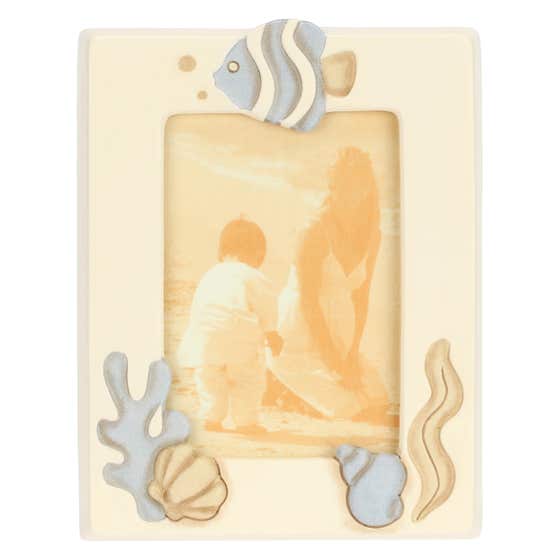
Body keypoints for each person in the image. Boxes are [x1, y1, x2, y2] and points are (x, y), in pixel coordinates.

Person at [268, 147, 389, 420]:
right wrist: (333, 361)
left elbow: (361, 298)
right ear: (331, 187)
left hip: (337, 333)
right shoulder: (314, 231)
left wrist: (352, 353)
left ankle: (292, 390)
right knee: (348, 409)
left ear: (367, 190)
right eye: (340, 187)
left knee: (378, 401)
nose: (347, 196)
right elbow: (308, 302)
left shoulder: (373, 235)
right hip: (299, 331)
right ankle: (279, 384)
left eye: (356, 187)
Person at [178, 218, 283, 433]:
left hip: (205, 338)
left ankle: (211, 417)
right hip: (238, 336)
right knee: (248, 378)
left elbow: (198, 309)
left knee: (210, 378)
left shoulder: (210, 275)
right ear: (259, 254)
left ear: (221, 252)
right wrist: (272, 333)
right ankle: (246, 421)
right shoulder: (254, 276)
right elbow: (267, 308)